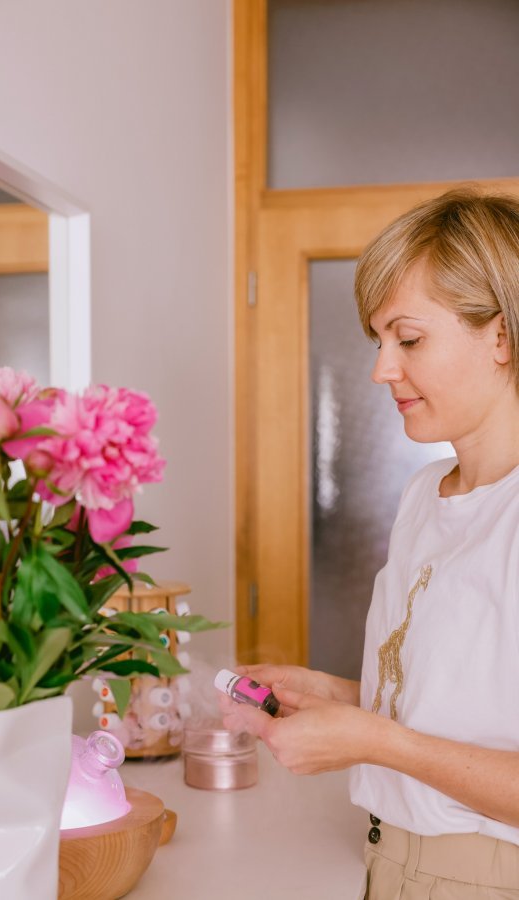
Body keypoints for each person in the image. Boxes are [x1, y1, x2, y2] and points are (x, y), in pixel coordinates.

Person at [219, 189, 519, 899]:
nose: (383, 370)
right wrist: (340, 697)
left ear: (501, 336)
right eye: (379, 341)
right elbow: (463, 702)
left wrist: (372, 741)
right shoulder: (425, 496)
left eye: (408, 339)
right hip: (391, 858)